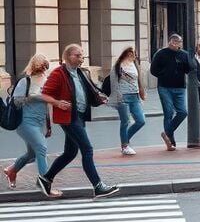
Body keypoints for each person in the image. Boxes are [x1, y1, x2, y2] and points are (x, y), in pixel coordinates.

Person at [37, 44, 118, 199]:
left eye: (82, 55)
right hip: (68, 118)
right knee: (87, 149)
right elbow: (44, 94)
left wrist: (99, 98)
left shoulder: (81, 73)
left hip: (79, 116)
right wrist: (57, 103)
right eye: (77, 55)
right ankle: (98, 186)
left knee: (70, 152)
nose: (81, 59)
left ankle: (46, 179)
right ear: (67, 57)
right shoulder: (58, 73)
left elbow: (89, 91)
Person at [4, 54, 56, 195]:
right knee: (41, 148)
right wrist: (31, 97)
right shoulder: (25, 82)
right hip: (25, 122)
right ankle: (45, 183)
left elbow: (47, 107)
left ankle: (12, 170)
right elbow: (15, 101)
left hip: (39, 123)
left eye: (42, 65)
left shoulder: (47, 81)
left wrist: (48, 125)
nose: (40, 68)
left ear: (46, 66)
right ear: (33, 66)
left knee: (32, 153)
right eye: (38, 65)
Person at [150, 34, 191, 150]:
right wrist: (163, 75)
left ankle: (167, 133)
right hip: (164, 87)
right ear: (169, 42)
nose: (176, 44)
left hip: (180, 87)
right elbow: (153, 70)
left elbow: (188, 69)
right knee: (168, 113)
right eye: (174, 42)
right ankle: (171, 142)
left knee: (183, 112)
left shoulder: (184, 54)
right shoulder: (161, 53)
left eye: (179, 42)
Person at [107, 47, 147, 155]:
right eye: (132, 53)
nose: (134, 55)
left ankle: (125, 138)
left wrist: (141, 92)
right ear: (127, 53)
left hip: (135, 96)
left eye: (135, 53)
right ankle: (124, 146)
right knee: (125, 121)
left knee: (141, 120)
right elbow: (113, 82)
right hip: (122, 97)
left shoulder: (135, 64)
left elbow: (138, 80)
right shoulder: (118, 65)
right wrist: (116, 97)